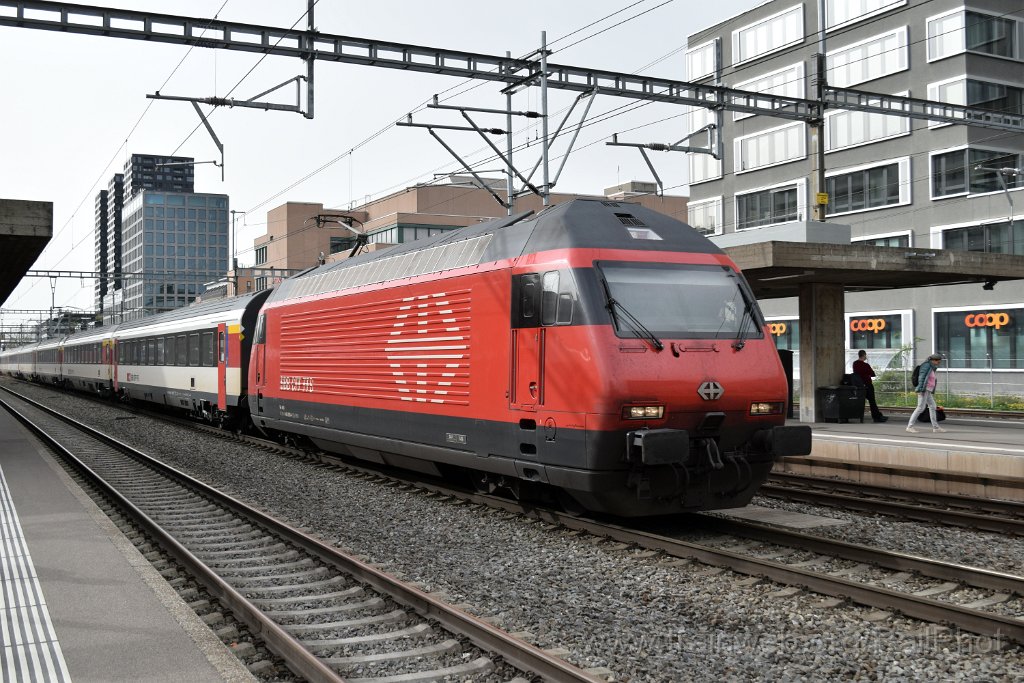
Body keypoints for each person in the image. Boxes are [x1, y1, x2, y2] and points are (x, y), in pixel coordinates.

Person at [907, 353, 946, 433]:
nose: (939, 363)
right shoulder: (926, 366)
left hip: (928, 390)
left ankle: (936, 427)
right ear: (934, 360)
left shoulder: (931, 367)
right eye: (938, 361)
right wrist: (920, 389)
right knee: (920, 408)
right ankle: (909, 426)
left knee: (933, 406)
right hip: (924, 389)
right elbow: (921, 378)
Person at [852, 350, 887, 422]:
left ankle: (860, 416)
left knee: (860, 402)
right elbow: (873, 374)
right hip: (868, 385)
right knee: (872, 401)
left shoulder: (855, 364)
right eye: (865, 355)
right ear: (864, 355)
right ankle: (877, 417)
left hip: (859, 386)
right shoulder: (866, 365)